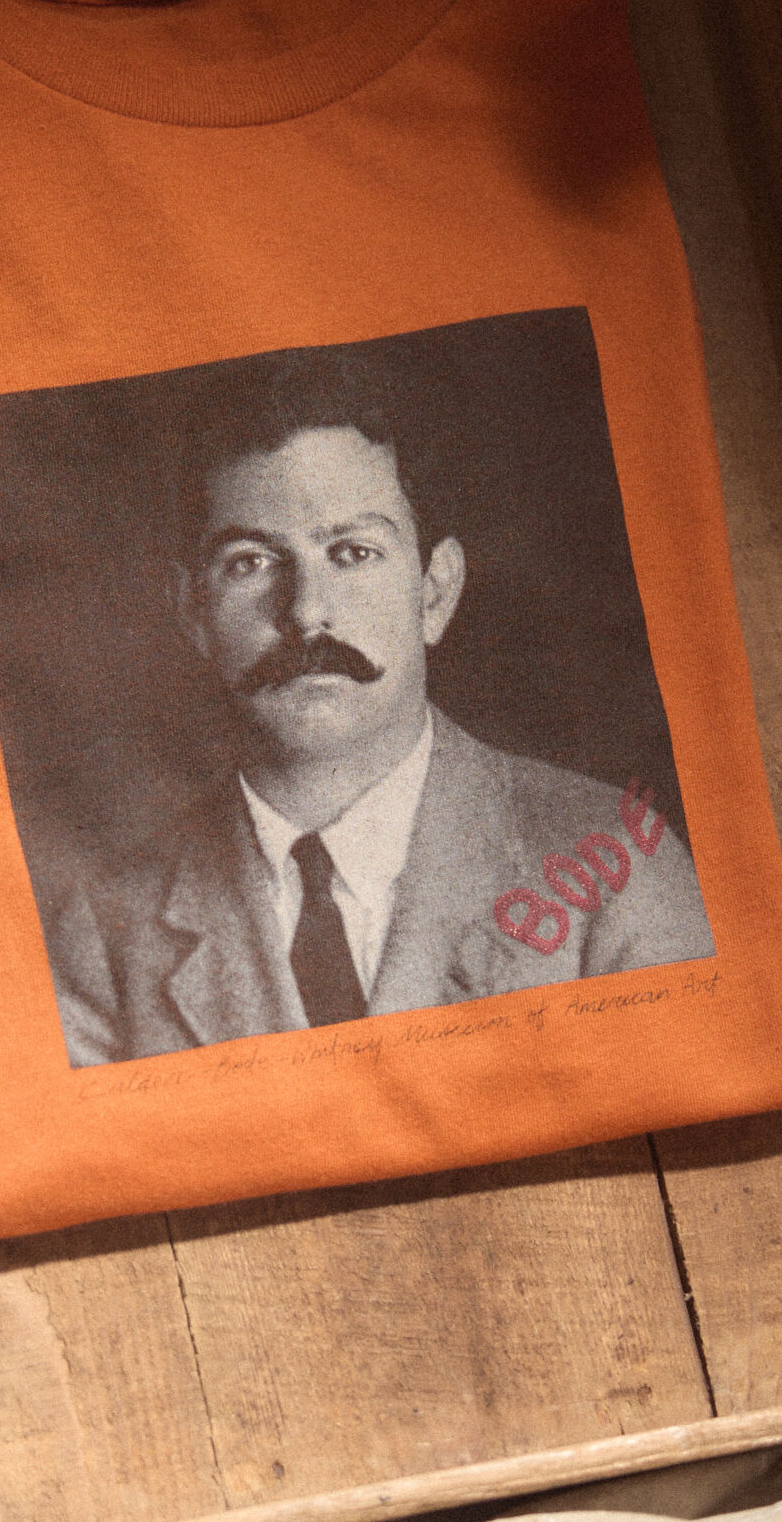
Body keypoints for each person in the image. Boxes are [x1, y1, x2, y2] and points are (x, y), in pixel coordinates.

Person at [45, 351, 716, 1066]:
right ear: (193, 614)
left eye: (353, 553)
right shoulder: (106, 932)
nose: (307, 615)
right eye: (250, 562)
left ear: (435, 591)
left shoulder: (615, 863)